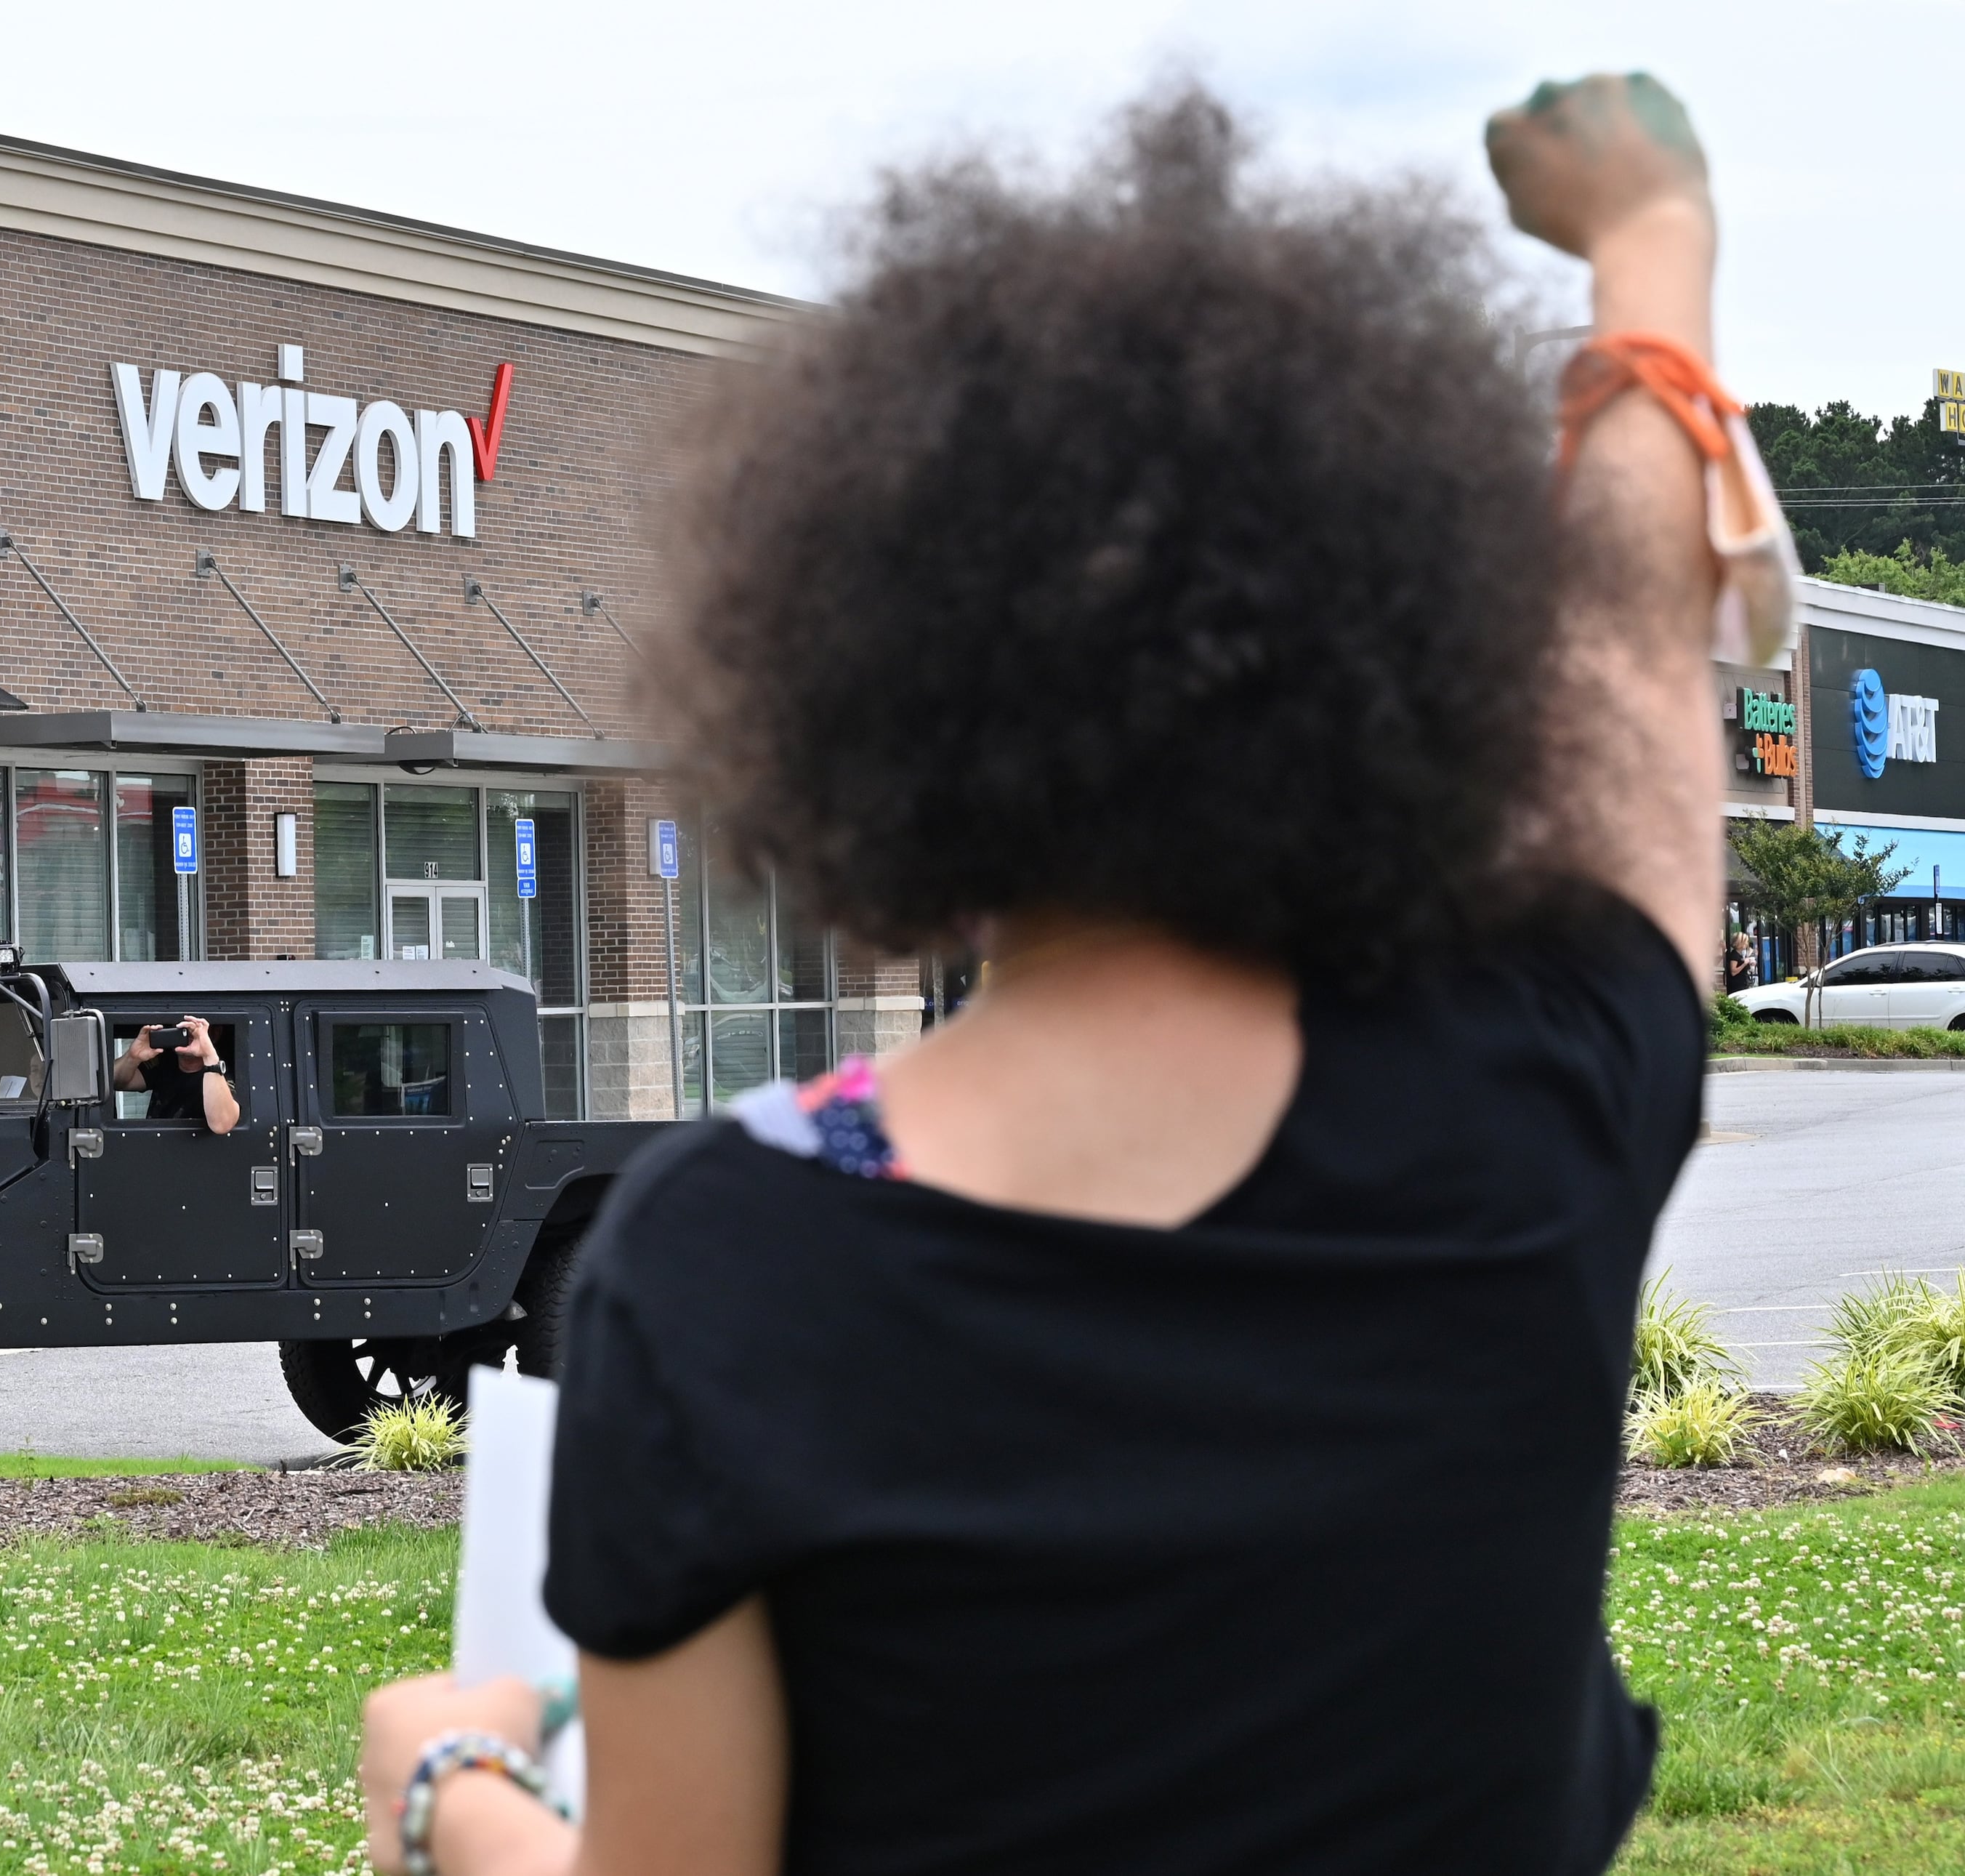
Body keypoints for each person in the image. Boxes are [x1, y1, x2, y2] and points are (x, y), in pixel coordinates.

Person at [358, 72, 1767, 1876]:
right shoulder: (1531, 1091)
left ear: (858, 685)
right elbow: (1638, 638)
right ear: (1415, 651)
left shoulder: (726, 1259)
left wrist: (441, 1790)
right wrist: (1652, 233)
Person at [112, 1016, 240, 1134]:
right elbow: (116, 1082)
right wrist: (132, 1057)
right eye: (180, 1025)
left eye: (195, 1027)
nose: (187, 1031)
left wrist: (209, 1056)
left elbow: (222, 1124)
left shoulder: (221, 1072)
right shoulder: (163, 1061)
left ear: (216, 1033)